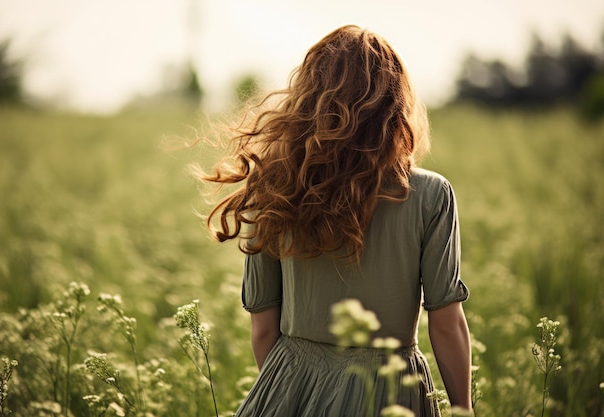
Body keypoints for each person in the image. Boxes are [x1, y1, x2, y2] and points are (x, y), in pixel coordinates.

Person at [202, 25, 472, 416]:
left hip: (289, 389)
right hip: (388, 394)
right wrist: (464, 408)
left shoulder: (275, 186)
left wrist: (299, 390)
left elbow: (263, 331)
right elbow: (446, 324)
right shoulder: (430, 195)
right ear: (394, 103)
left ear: (309, 98)